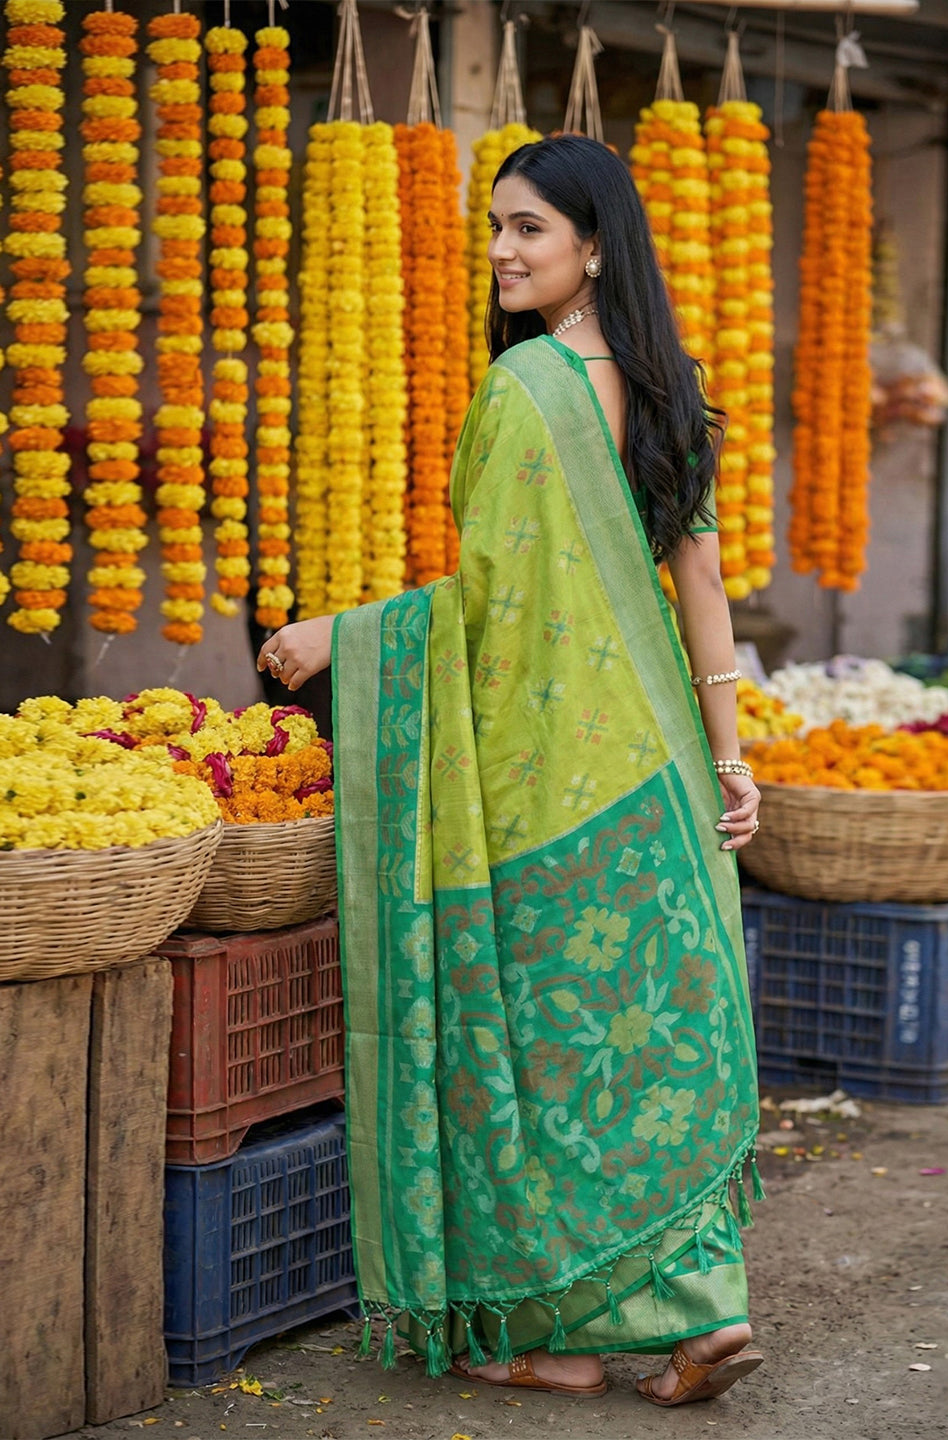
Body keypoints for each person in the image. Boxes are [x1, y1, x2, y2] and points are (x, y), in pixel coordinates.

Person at [258, 133, 763, 1409]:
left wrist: (343, 636)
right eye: (496, 225)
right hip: (653, 766)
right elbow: (701, 587)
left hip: (542, 785)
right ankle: (702, 1308)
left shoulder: (526, 388)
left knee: (547, 1062)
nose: (501, 249)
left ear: (594, 246)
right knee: (642, 1045)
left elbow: (484, 604)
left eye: (528, 227)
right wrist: (728, 757)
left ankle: (567, 1340)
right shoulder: (667, 382)